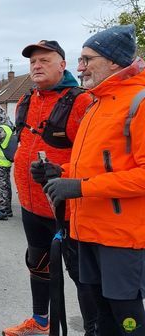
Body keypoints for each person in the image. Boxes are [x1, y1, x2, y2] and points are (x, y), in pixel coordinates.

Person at [36, 24, 145, 335]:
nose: (80, 66)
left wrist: (81, 187)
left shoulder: (139, 102)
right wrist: (60, 174)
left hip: (121, 237)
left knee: (126, 319)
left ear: (113, 62)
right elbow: (96, 168)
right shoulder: (97, 104)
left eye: (87, 59)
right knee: (99, 316)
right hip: (89, 230)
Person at [3, 40, 96, 336]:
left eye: (44, 60)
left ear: (62, 65)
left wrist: (63, 174)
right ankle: (40, 321)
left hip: (68, 209)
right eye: (33, 62)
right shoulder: (26, 100)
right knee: (37, 264)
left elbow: (95, 157)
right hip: (31, 205)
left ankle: (94, 329)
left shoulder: (82, 101)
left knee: (81, 274)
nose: (37, 66)